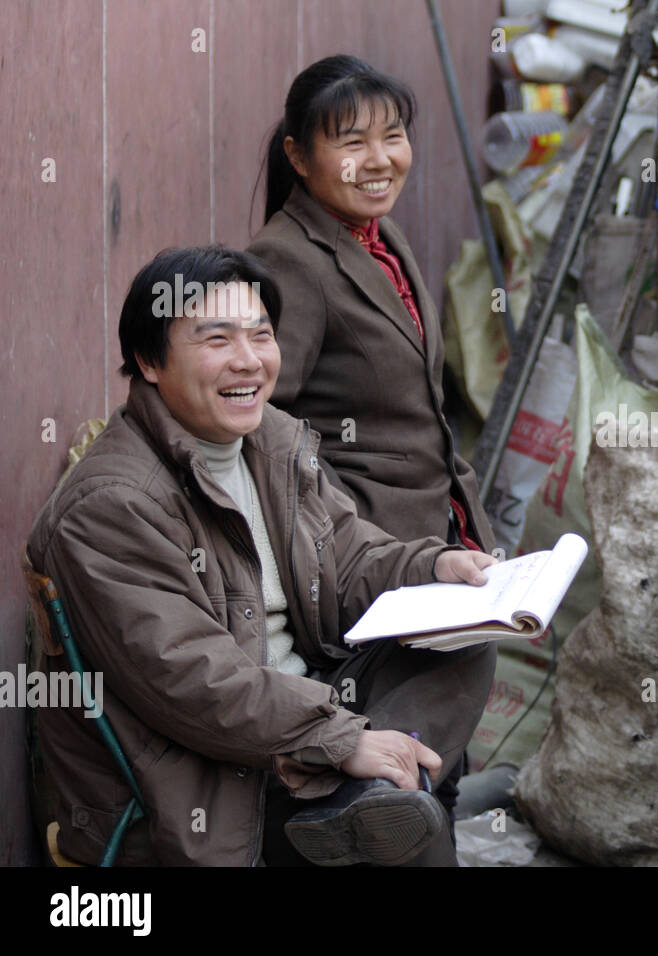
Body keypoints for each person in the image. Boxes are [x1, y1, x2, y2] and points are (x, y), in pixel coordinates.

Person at [27, 246, 496, 866]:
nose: (247, 360)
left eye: (261, 334)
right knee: (414, 836)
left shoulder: (268, 440)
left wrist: (434, 567)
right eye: (215, 339)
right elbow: (197, 681)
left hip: (300, 717)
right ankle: (370, 793)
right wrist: (337, 737)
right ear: (148, 361)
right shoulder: (112, 506)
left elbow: (349, 557)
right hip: (216, 777)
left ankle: (371, 791)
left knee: (463, 636)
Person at [247, 55, 497, 842]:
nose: (380, 158)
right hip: (361, 543)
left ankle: (400, 797)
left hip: (431, 527)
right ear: (298, 155)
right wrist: (330, 525)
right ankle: (346, 787)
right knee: (466, 656)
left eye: (394, 135)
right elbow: (257, 420)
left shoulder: (375, 239)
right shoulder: (289, 259)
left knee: (447, 751)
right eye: (351, 141)